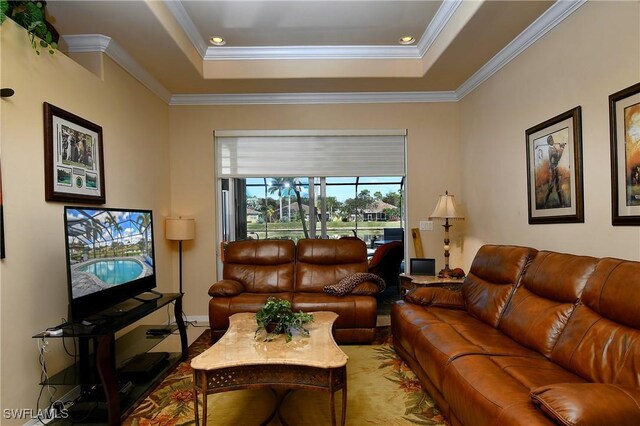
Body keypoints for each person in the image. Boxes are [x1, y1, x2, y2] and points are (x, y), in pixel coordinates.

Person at [544, 135, 566, 207]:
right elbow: (558, 157)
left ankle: (561, 204)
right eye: (550, 140)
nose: (552, 141)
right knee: (550, 187)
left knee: (558, 187)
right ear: (549, 142)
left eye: (552, 139)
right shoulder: (550, 149)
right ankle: (545, 203)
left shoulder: (553, 148)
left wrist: (560, 147)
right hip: (552, 169)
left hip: (555, 168)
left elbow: (557, 153)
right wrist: (562, 147)